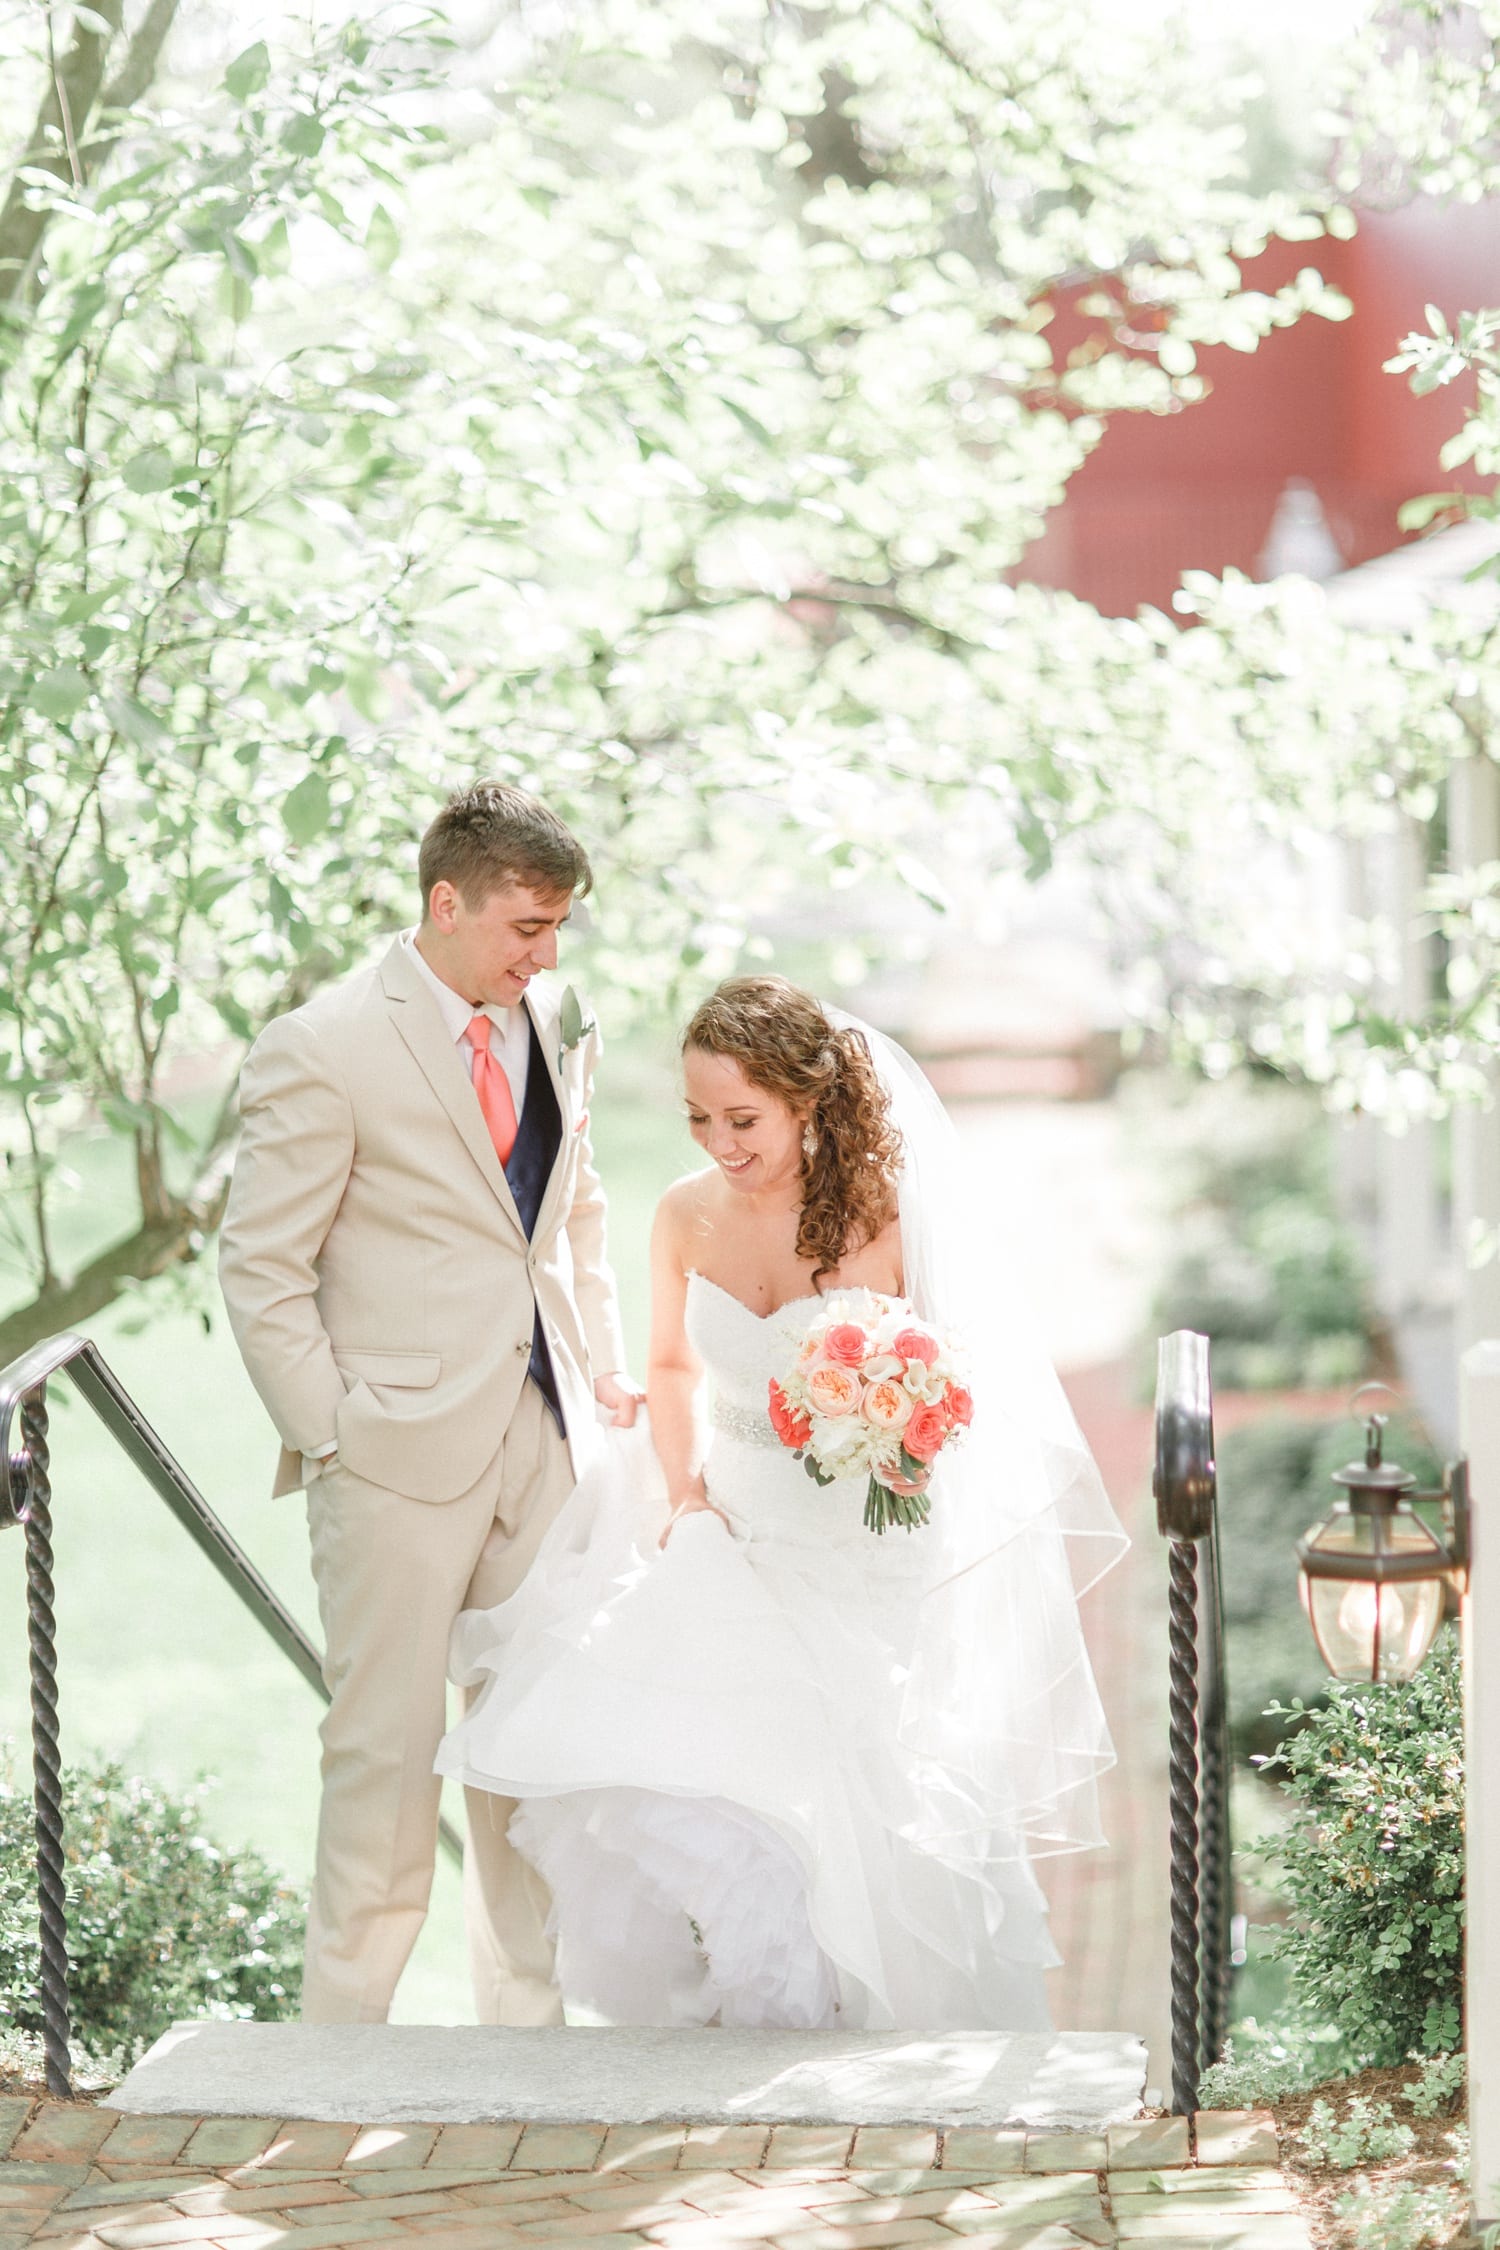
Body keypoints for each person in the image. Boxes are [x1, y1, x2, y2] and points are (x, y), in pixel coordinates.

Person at [437, 975, 1125, 2030]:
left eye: (744, 1118)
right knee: (697, 1773)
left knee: (859, 1801)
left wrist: (898, 1417)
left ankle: (861, 2030)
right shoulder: (684, 1214)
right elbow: (669, 1368)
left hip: (865, 1552)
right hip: (732, 1529)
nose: (720, 1141)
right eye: (700, 1118)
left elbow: (963, 1390)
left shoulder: (889, 1218)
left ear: (811, 1100)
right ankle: (749, 2013)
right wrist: (684, 1496)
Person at [218, 784, 640, 2025]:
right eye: (525, 925)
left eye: (559, 926)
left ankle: (531, 2043)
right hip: (389, 1454)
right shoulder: (325, 1041)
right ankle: (342, 2051)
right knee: (385, 1762)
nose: (546, 954)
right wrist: (333, 1433)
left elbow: (579, 1212)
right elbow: (261, 1267)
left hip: (546, 1436)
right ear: (444, 903)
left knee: (532, 1755)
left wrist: (601, 1373)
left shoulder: (556, 1018)